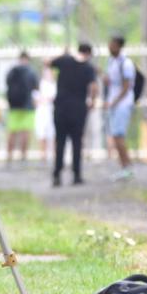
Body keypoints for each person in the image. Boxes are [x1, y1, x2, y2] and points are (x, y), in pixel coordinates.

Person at [50, 43, 97, 187]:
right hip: (78, 109)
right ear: (89, 53)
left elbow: (48, 63)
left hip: (61, 107)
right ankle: (76, 175)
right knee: (77, 142)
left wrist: (63, 53)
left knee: (60, 141)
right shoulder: (89, 68)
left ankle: (57, 175)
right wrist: (92, 102)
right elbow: (94, 87)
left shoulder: (65, 60)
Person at [104, 35, 135, 181]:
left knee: (119, 136)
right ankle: (123, 166)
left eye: (112, 44)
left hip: (122, 104)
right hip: (113, 103)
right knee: (116, 137)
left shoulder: (126, 63)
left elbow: (126, 86)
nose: (109, 47)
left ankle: (127, 167)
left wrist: (115, 102)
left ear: (118, 45)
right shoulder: (111, 62)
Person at [6, 52, 38, 163]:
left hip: (14, 106)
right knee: (25, 131)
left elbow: (7, 84)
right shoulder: (31, 71)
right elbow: (35, 88)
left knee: (12, 131)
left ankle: (9, 155)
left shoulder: (12, 70)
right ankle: (23, 156)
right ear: (28, 59)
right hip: (28, 106)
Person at [34, 64, 57, 163]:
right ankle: (43, 155)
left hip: (52, 111)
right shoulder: (40, 84)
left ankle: (54, 155)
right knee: (42, 134)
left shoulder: (55, 84)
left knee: (53, 134)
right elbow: (36, 98)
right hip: (42, 111)